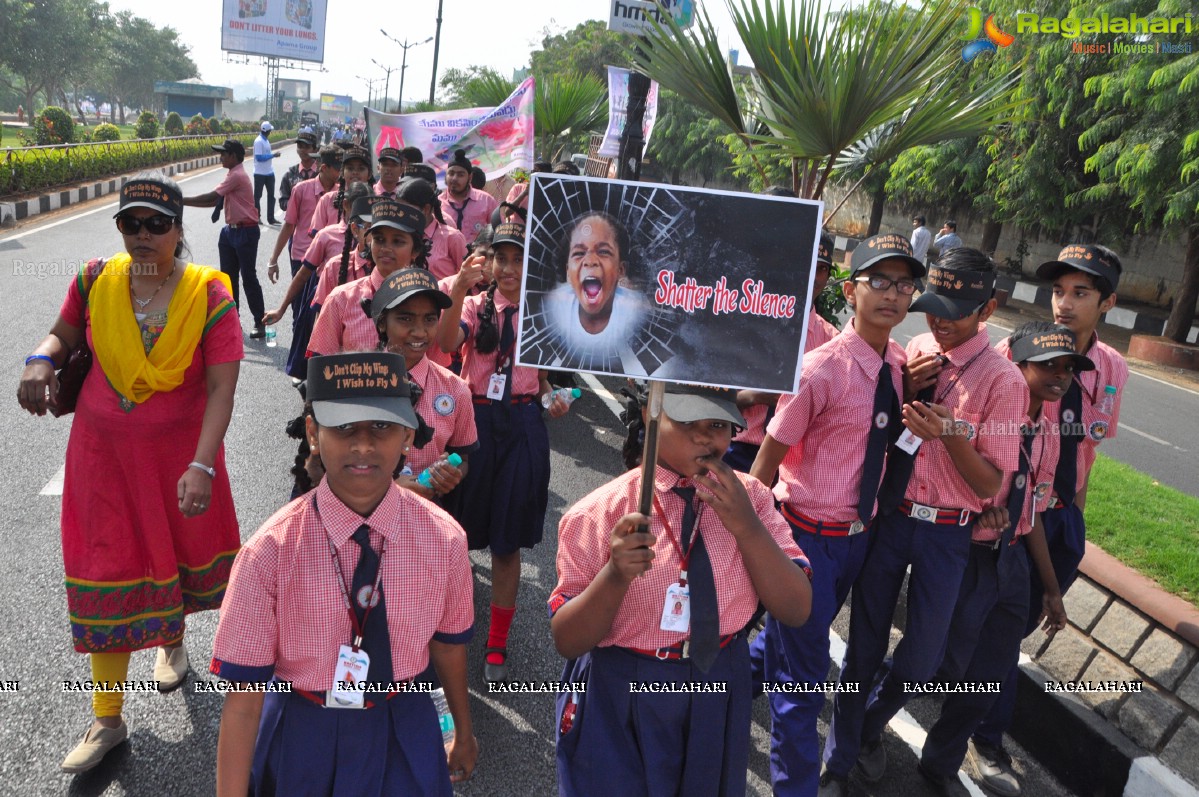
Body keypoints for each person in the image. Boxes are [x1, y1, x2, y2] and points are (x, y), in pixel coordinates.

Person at [18, 173, 243, 773]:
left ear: (177, 229)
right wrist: (41, 360)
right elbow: (63, 335)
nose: (143, 236)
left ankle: (172, 641)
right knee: (105, 566)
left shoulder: (210, 295)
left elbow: (222, 387)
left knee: (168, 552)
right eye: (131, 224)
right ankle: (107, 720)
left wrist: (202, 463)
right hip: (101, 456)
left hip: (177, 460)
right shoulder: (95, 281)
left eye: (157, 224)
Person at [210, 351, 478, 795]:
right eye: (343, 428)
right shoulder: (269, 553)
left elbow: (448, 649)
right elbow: (243, 700)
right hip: (304, 728)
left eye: (382, 427)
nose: (364, 446)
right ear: (313, 434)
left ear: (408, 435)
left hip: (403, 719)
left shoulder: (444, 540)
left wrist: (462, 733)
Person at [822, 247, 1027, 797]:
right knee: (863, 644)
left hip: (946, 530)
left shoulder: (1005, 382)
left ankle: (864, 725)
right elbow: (889, 429)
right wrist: (910, 387)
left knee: (921, 659)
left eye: (956, 310)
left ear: (988, 310)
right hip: (893, 516)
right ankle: (837, 763)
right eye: (934, 305)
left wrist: (953, 433)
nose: (939, 320)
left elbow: (990, 484)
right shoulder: (915, 348)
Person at [550, 384, 813, 797]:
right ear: (651, 415)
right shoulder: (600, 513)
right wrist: (615, 575)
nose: (707, 437)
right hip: (624, 684)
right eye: (688, 422)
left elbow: (796, 609)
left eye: (719, 425)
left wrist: (746, 526)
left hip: (717, 678)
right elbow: (567, 639)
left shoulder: (753, 501)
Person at [748, 234, 924, 796]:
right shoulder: (819, 369)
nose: (893, 295)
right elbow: (768, 457)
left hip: (856, 540)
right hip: (804, 538)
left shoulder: (898, 366)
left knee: (789, 642)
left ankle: (706, 696)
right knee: (803, 681)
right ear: (850, 291)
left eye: (904, 284)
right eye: (880, 281)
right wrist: (747, 534)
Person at [968, 244, 1129, 796]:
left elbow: (1088, 451)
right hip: (1011, 517)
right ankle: (982, 735)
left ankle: (972, 716)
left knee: (1013, 629)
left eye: (1081, 293)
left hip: (1060, 522)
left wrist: (1074, 523)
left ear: (1107, 302)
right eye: (1059, 291)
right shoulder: (1021, 352)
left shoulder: (1112, 370)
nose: (1064, 303)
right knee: (992, 630)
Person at [917, 321, 1075, 796]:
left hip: (1011, 564)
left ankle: (940, 762)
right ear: (1018, 365)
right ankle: (862, 726)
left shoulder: (1048, 431)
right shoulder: (985, 414)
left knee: (987, 675)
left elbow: (1033, 514)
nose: (1059, 375)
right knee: (935, 665)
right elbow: (949, 482)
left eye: (1068, 367)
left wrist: (1049, 588)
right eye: (1047, 364)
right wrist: (981, 517)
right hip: (964, 556)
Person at [436, 221, 573, 683]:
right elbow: (448, 342)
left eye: (520, 259)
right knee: (454, 533)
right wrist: (457, 288)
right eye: (503, 258)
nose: (510, 268)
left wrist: (551, 398)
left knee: (507, 540)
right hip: (474, 421)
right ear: (490, 262)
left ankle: (497, 639)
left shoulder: (545, 313)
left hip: (523, 425)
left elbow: (546, 377)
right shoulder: (476, 306)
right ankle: (444, 624)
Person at [725, 228, 840, 473]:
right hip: (737, 453)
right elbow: (707, 396)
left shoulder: (832, 342)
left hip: (796, 465)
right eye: (805, 264)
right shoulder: (741, 326)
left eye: (822, 269)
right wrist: (756, 396)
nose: (813, 277)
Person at [369, 268, 478, 500]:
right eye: (405, 318)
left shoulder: (455, 390)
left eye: (429, 319)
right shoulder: (355, 382)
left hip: (425, 514)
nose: (419, 332)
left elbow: (463, 458)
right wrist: (389, 487)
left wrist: (450, 474)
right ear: (381, 324)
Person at [308, 199, 428, 357]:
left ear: (415, 251)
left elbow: (435, 368)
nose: (386, 248)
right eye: (379, 240)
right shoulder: (341, 299)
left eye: (398, 241)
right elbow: (320, 366)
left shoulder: (428, 300)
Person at [540, 210, 649, 372]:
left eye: (604, 251)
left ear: (621, 269)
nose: (590, 261)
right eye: (579, 253)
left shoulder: (638, 314)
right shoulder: (552, 308)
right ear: (568, 272)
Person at [183, 138, 266, 338]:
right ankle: (232, 319)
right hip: (231, 231)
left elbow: (211, 197)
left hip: (245, 230)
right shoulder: (232, 174)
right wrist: (182, 203)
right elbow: (214, 202)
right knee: (228, 279)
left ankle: (259, 322)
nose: (220, 157)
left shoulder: (237, 175)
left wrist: (180, 200)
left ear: (234, 156)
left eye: (223, 153)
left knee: (248, 278)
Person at [396, 176, 467, 283]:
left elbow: (467, 277)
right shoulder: (399, 235)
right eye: (399, 210)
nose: (401, 215)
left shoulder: (452, 238)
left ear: (426, 209)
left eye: (407, 210)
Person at [310, 145, 374, 233]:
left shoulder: (376, 202)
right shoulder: (327, 200)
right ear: (342, 173)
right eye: (350, 168)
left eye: (361, 169)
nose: (355, 172)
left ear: (369, 174)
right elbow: (316, 235)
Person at [441, 149, 498, 243]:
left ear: (470, 177)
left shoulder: (486, 201)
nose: (454, 178)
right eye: (451, 173)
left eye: (460, 175)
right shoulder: (438, 204)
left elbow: (498, 231)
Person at [278, 130, 319, 212]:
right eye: (300, 146)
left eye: (307, 147)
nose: (303, 150)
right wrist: (296, 204)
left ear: (315, 150)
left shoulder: (322, 173)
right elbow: (283, 202)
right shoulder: (289, 175)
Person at [253, 122, 280, 225]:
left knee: (271, 196)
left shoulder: (266, 141)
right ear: (268, 131)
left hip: (269, 172)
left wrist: (272, 155)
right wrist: (273, 155)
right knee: (257, 196)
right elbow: (259, 158)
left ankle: (271, 218)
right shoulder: (259, 141)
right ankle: (256, 217)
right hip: (260, 173)